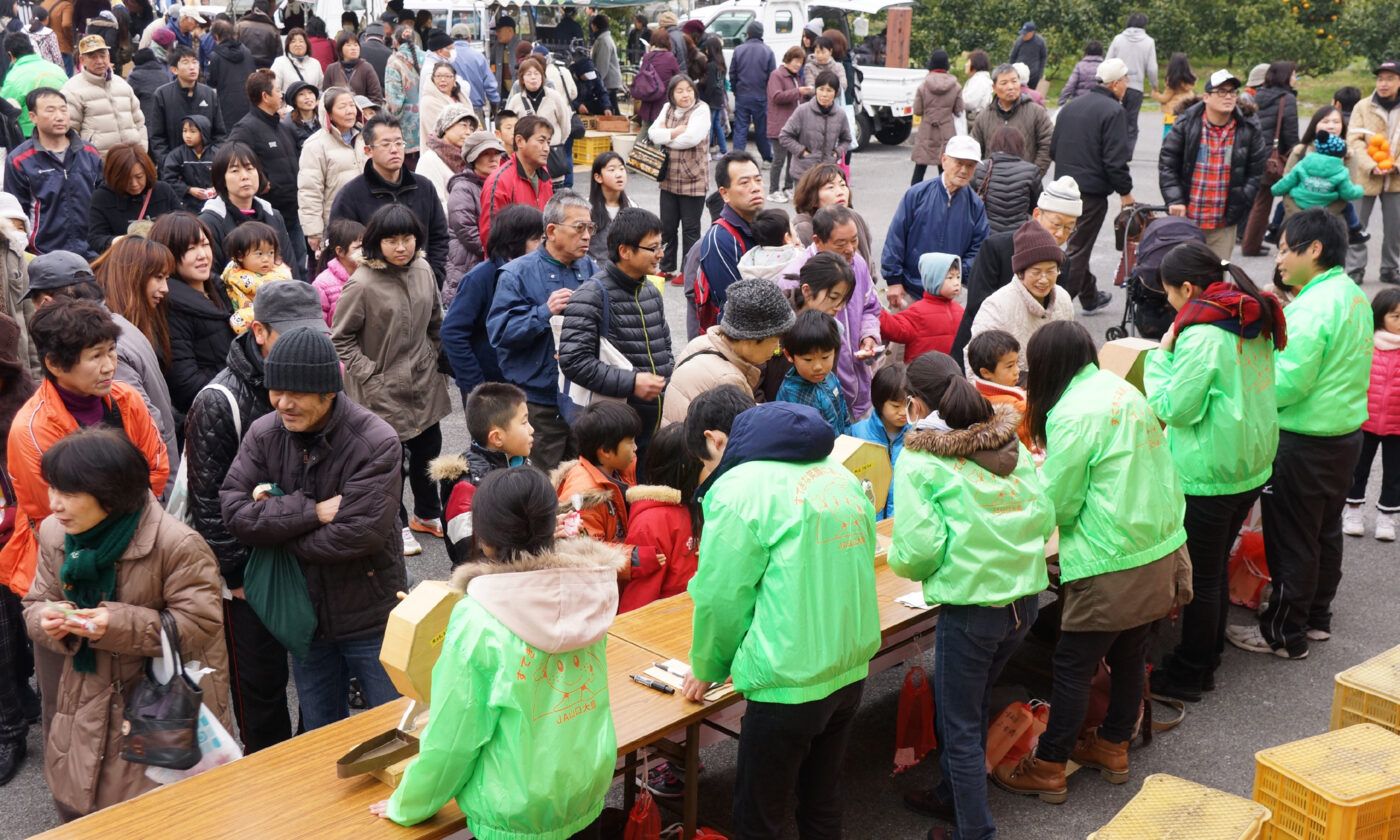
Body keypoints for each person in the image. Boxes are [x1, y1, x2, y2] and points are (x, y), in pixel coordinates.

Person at [994, 321, 1190, 805]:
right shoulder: (1120, 389)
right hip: (1157, 544)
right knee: (1130, 652)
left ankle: (1049, 766)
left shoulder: (1071, 412)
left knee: (1072, 664)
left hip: (1110, 555)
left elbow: (1059, 501)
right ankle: (1113, 745)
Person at [369, 466, 620, 837]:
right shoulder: (589, 592)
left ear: (484, 538)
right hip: (585, 789)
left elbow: (453, 738)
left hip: (514, 811)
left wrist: (408, 803)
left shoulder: (479, 620)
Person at [682, 395, 880, 838]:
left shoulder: (738, 489)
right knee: (822, 800)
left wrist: (709, 664)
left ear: (716, 442)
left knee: (760, 817)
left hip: (786, 679)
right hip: (849, 664)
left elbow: (721, 597)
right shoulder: (838, 474)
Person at [22, 428, 226, 820]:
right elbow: (35, 602)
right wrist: (45, 619)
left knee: (155, 817)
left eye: (68, 493)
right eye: (52, 489)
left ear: (110, 493)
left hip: (157, 702)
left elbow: (201, 623)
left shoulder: (176, 544)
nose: (54, 503)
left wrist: (113, 624)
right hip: (82, 700)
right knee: (79, 803)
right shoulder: (55, 533)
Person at [890, 351, 1053, 840]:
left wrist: (902, 562)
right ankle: (951, 794)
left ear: (917, 405)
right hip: (1024, 602)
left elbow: (918, 550)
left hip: (972, 610)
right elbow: (1044, 516)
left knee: (958, 724)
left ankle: (974, 831)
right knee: (975, 701)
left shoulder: (920, 457)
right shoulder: (1008, 438)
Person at [221, 327, 404, 731]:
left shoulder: (376, 442)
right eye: (276, 391)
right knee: (321, 738)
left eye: (296, 393)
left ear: (328, 392)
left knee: (397, 732)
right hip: (305, 620)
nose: (283, 404)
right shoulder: (264, 433)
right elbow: (233, 512)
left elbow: (358, 534)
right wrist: (311, 512)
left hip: (370, 618)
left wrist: (275, 534)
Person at [1140, 241, 1286, 702]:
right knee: (1214, 568)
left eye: (1168, 293)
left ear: (1187, 288)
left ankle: (1191, 671)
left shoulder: (1202, 333)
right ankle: (1205, 660)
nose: (1168, 303)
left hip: (1209, 472)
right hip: (1248, 465)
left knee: (1202, 577)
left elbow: (1175, 408)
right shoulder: (1250, 315)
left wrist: (1161, 355)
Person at [184, 281, 326, 754]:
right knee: (260, 688)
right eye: (293, 332)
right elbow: (208, 502)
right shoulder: (218, 400)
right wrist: (238, 575)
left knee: (315, 674)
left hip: (309, 555)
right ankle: (268, 775)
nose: (307, 342)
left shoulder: (322, 376)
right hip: (251, 573)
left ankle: (310, 767)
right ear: (259, 332)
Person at [1226, 209, 1371, 659]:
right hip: (1343, 434)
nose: (1280, 258)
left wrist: (1243, 386)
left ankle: (1283, 634)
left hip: (1304, 441)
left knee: (1291, 538)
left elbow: (1287, 384)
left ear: (1315, 249)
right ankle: (1315, 618)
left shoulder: (1313, 307)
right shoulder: (1352, 295)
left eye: (1287, 249)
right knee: (1324, 531)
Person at [1, 298, 171, 663]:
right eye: (95, 356)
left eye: (111, 351)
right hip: (65, 569)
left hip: (136, 556)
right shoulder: (31, 430)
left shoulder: (126, 399)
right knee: (74, 677)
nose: (110, 365)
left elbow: (156, 469)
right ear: (54, 364)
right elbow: (58, 513)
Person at [331, 204, 450, 556]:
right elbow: (340, 338)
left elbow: (436, 321)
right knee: (388, 462)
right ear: (376, 243)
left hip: (423, 381)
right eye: (391, 240)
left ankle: (427, 513)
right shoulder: (361, 283)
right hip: (379, 390)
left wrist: (434, 359)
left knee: (429, 451)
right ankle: (396, 523)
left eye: (407, 238)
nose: (401, 247)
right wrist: (370, 373)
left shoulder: (424, 269)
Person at [486, 190, 597, 470]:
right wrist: (544, 312)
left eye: (590, 228)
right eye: (579, 228)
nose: (587, 236)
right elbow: (500, 333)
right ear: (552, 231)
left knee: (584, 482)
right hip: (538, 405)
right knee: (541, 484)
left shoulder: (591, 268)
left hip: (584, 398)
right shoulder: (516, 273)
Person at [558, 207, 673, 457]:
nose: (661, 254)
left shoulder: (650, 292)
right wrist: (632, 382)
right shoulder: (591, 295)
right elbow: (573, 361)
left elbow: (665, 348)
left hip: (652, 428)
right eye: (653, 248)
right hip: (614, 434)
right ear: (625, 251)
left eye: (661, 246)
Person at [951, 177, 1083, 365]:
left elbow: (1053, 311)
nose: (1061, 233)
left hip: (1032, 355)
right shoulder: (996, 247)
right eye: (1056, 224)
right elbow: (976, 303)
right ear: (1037, 214)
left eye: (1069, 228)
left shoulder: (1063, 262)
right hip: (984, 350)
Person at [778, 206, 882, 417]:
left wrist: (868, 336)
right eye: (841, 244)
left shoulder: (858, 264)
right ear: (817, 241)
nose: (850, 249)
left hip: (856, 389)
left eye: (854, 240)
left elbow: (870, 307)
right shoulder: (793, 279)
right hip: (812, 404)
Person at [1050, 57, 1135, 314]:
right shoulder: (1114, 111)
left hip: (1061, 189)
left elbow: (1053, 149)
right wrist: (1125, 192)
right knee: (1078, 249)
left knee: (1077, 244)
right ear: (1116, 83)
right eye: (1126, 81)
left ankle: (1090, 296)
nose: (1127, 86)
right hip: (1090, 192)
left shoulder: (1071, 106)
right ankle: (1057, 307)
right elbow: (1115, 159)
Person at [327, 113, 451, 287]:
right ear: (368, 151)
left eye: (399, 143)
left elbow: (440, 237)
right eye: (386, 144)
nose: (394, 150)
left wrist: (433, 277)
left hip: (420, 284)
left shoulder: (423, 187)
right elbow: (341, 247)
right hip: (373, 289)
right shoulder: (351, 195)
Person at [1159, 69, 1269, 259]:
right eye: (1221, 92)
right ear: (1206, 97)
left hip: (1223, 224)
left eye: (1232, 92)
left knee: (1219, 271)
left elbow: (1256, 171)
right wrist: (1175, 200)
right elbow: (1168, 164)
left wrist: (1242, 200)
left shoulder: (1248, 127)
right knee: (1186, 271)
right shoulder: (1186, 123)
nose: (1228, 96)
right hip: (1188, 219)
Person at [442, 204, 541, 403]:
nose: (543, 245)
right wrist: (475, 385)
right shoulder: (480, 278)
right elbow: (452, 332)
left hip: (526, 381)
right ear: (513, 242)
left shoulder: (536, 272)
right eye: (536, 239)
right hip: (490, 384)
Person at [90, 237, 178, 458]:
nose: (165, 288)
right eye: (158, 277)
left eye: (166, 278)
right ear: (133, 275)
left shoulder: (133, 325)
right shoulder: (111, 343)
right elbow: (142, 420)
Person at [431, 382, 535, 566]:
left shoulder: (521, 463)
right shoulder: (467, 486)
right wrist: (530, 545)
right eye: (524, 422)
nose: (531, 429)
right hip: (486, 577)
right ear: (497, 437)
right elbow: (470, 553)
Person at [664, 277, 793, 424]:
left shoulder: (702, 343)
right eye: (774, 340)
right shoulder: (728, 380)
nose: (777, 348)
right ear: (748, 339)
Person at [882, 134, 989, 309]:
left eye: (970, 165)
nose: (964, 170)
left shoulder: (975, 205)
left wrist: (955, 277)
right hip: (910, 289)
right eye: (959, 163)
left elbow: (978, 249)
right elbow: (896, 238)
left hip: (951, 295)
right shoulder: (917, 194)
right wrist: (893, 280)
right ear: (944, 160)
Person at [227, 69, 307, 282]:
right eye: (278, 91)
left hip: (294, 211)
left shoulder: (282, 127)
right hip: (268, 216)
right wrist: (261, 182)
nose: (282, 95)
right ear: (265, 96)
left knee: (299, 269)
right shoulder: (245, 128)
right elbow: (230, 157)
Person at [154, 209, 233, 421]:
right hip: (215, 413)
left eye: (205, 245)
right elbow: (185, 384)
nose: (202, 255)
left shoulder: (223, 288)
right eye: (190, 248)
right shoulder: (170, 307)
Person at [968, 219, 1075, 375]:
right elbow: (976, 366)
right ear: (1020, 272)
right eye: (1036, 272)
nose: (1044, 279)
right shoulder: (996, 306)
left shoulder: (1063, 298)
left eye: (1051, 271)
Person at [4, 88, 103, 259]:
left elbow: (103, 201)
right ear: (33, 117)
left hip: (92, 253)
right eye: (50, 110)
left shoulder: (89, 153)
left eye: (63, 109)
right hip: (44, 256)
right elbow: (17, 215)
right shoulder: (20, 160)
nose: (59, 116)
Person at [0, 312, 34, 787]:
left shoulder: (21, 403)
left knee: (12, 632)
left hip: (17, 531)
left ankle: (13, 722)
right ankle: (15, 715)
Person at [1344, 287, 1400, 540]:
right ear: (1379, 316)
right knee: (1357, 469)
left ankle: (1386, 518)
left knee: (1395, 474)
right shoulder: (1365, 345)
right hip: (1364, 421)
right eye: (1395, 316)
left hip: (1397, 425)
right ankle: (1353, 511)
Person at [198, 142, 295, 279]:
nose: (245, 176)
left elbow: (289, 266)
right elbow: (211, 276)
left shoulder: (273, 216)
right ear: (221, 178)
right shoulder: (209, 222)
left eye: (249, 168)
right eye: (235, 171)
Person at [554, 401, 642, 546]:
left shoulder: (620, 470)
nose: (635, 447)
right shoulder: (585, 498)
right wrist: (633, 555)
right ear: (606, 451)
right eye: (630, 442)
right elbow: (588, 549)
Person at [1344, 59, 1400, 286]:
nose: (1383, 84)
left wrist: (1396, 165)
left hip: (1396, 179)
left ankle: (1390, 268)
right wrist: (1370, 164)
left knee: (1395, 227)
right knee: (1357, 225)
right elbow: (1353, 139)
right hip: (1365, 176)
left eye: (1390, 79)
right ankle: (1355, 269)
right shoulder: (1363, 107)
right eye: (1380, 79)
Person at [650, 75, 711, 278]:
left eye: (689, 90)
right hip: (668, 178)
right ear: (672, 94)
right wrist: (675, 132)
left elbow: (691, 139)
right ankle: (667, 267)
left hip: (693, 179)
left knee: (690, 229)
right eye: (680, 91)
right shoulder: (667, 108)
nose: (686, 95)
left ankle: (688, 271)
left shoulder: (701, 109)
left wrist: (666, 136)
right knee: (667, 227)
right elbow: (652, 134)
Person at [298, 87, 365, 258]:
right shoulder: (315, 145)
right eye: (342, 106)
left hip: (366, 218)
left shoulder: (364, 138)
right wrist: (314, 231)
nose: (349, 111)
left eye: (352, 105)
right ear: (328, 114)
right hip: (337, 224)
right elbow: (310, 191)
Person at [1241, 61, 1300, 256]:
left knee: (1260, 203)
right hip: (1277, 159)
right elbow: (1290, 134)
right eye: (1293, 74)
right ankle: (1289, 244)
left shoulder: (1258, 95)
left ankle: (1251, 245)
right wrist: (1297, 153)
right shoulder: (1287, 98)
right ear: (1285, 77)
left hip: (1257, 154)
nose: (1295, 78)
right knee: (1292, 201)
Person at [1272, 126, 1368, 240]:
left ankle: (1274, 228)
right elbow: (1347, 193)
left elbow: (1288, 181)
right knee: (1348, 207)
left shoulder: (1303, 164)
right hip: (1325, 205)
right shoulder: (1341, 171)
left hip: (1300, 202)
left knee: (1281, 206)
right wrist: (1360, 190)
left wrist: (1275, 189)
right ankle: (1355, 230)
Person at [85, 142, 180, 255]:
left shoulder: (163, 190)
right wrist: (120, 241)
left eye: (139, 177)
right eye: (126, 179)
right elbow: (95, 239)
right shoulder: (102, 197)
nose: (134, 184)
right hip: (123, 259)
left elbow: (182, 224)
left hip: (163, 256)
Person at [477, 114, 554, 252]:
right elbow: (491, 238)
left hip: (542, 258)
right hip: (514, 262)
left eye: (548, 142)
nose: (547, 148)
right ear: (519, 141)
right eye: (541, 141)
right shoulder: (499, 181)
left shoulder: (544, 175)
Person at [443, 131, 505, 300]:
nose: (493, 159)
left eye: (496, 153)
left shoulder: (500, 185)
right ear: (472, 158)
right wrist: (497, 253)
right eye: (486, 154)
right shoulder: (463, 187)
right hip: (467, 263)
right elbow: (466, 229)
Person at [62, 35, 145, 159]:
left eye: (102, 56)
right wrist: (86, 162)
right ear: (82, 60)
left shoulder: (122, 84)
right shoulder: (71, 90)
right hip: (98, 163)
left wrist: (142, 151)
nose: (100, 61)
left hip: (131, 161)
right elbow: (70, 132)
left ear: (109, 57)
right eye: (93, 57)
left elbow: (139, 122)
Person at [970, 63, 1053, 179]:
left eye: (1014, 81)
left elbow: (1047, 144)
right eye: (1004, 83)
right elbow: (974, 149)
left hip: (1025, 182)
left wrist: (1034, 175)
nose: (1011, 87)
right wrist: (983, 177)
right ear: (994, 88)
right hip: (991, 182)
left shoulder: (1037, 112)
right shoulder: (984, 116)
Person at [148, 46, 226, 168]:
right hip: (174, 168)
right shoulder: (162, 95)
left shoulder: (209, 94)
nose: (192, 67)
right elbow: (157, 137)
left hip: (205, 167)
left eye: (194, 62)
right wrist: (169, 163)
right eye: (185, 62)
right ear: (174, 69)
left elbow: (219, 134)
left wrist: (212, 159)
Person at [775, 309, 850, 434]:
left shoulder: (829, 377)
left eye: (825, 357)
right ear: (789, 355)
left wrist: (848, 436)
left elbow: (843, 413)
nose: (818, 367)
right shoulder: (791, 395)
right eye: (808, 359)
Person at [880, 252, 963, 362]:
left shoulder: (960, 311)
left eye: (958, 277)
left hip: (953, 370)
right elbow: (894, 328)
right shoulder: (918, 312)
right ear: (933, 279)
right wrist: (875, 310)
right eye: (950, 278)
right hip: (922, 371)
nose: (956, 283)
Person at [506, 55, 573, 188]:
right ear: (522, 79)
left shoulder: (554, 97)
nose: (533, 77)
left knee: (554, 196)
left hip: (552, 157)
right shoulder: (516, 101)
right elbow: (509, 127)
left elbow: (565, 125)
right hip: (527, 159)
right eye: (528, 74)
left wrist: (554, 143)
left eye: (537, 73)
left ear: (543, 76)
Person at [789, 164, 874, 267]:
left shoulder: (855, 218)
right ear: (813, 197)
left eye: (843, 185)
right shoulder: (803, 228)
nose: (840, 192)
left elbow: (870, 264)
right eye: (830, 187)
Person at [220, 221, 293, 335]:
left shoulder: (279, 273)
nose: (266, 259)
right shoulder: (233, 274)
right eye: (259, 254)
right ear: (240, 255)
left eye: (271, 252)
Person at [780, 70, 851, 184]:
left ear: (835, 93)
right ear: (816, 90)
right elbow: (784, 136)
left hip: (828, 174)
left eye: (829, 90)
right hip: (803, 173)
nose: (824, 94)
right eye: (821, 89)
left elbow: (846, 140)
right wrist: (802, 152)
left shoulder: (840, 115)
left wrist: (837, 153)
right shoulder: (802, 111)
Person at [972, 127, 1042, 234]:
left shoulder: (980, 168)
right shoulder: (1031, 171)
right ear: (1021, 146)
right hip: (1020, 234)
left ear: (993, 144)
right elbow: (1037, 207)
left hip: (987, 233)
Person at [1105, 13, 1158, 156]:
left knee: (1112, 119)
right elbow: (1152, 68)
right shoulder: (1149, 42)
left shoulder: (1118, 39)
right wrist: (1154, 85)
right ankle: (1126, 154)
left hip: (1115, 86)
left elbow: (1107, 60)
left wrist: (1105, 82)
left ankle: (1110, 150)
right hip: (1136, 88)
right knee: (1131, 122)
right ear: (1144, 26)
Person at [910, 50, 963, 185]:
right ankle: (944, 196)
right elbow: (959, 110)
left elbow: (917, 111)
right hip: (946, 132)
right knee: (944, 169)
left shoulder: (923, 86)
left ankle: (914, 196)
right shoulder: (956, 87)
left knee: (919, 169)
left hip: (927, 131)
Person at [724, 19, 774, 162]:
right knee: (762, 130)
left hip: (742, 95)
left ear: (748, 34)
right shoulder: (768, 51)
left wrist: (736, 90)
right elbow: (772, 77)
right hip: (761, 96)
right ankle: (767, 158)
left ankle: (737, 158)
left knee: (740, 129)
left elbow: (732, 74)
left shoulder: (738, 50)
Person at [764, 47, 810, 203]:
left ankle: (788, 188)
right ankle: (773, 190)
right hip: (779, 125)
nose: (798, 65)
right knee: (779, 159)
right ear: (788, 59)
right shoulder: (776, 75)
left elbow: (798, 99)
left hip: (794, 126)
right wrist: (798, 91)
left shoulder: (796, 77)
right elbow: (777, 96)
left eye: (801, 62)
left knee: (793, 158)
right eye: (796, 61)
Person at [0, 32, 65, 138]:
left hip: (30, 135)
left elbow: (7, 109)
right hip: (62, 130)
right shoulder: (57, 69)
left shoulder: (14, 77)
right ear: (32, 48)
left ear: (10, 54)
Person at [418, 104, 478, 210]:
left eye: (471, 128)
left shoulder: (471, 159)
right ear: (446, 126)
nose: (468, 132)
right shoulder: (430, 160)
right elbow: (433, 205)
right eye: (463, 125)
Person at [384, 26, 427, 170]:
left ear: (396, 42)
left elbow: (394, 101)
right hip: (427, 123)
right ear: (415, 41)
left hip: (406, 127)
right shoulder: (427, 58)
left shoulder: (394, 61)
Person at [205, 20, 257, 128]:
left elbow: (211, 81)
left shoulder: (215, 56)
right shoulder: (246, 51)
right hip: (249, 103)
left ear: (216, 36)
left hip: (227, 104)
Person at [585, 151, 633, 269]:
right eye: (612, 170)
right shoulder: (586, 209)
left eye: (621, 169)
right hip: (594, 272)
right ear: (598, 177)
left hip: (624, 273)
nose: (619, 174)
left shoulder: (632, 207)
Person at [161, 115, 218, 213]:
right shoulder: (177, 155)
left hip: (214, 204)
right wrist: (189, 189)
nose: (187, 135)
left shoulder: (217, 154)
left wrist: (217, 188)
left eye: (193, 131)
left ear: (204, 132)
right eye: (185, 131)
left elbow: (226, 176)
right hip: (187, 205)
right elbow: (169, 179)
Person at [311, 218, 363, 325]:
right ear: (340, 251)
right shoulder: (322, 284)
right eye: (358, 247)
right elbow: (318, 324)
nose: (364, 251)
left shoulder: (371, 276)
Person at [737, 208, 802, 283]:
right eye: (793, 228)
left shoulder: (751, 257)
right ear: (787, 238)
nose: (795, 232)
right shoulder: (796, 256)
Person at [632, 29, 681, 128]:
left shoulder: (647, 57)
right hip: (663, 102)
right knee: (660, 131)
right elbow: (678, 77)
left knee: (645, 129)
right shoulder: (670, 57)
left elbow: (642, 75)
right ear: (667, 41)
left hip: (647, 101)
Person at [322, 29, 383, 103]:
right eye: (348, 45)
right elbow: (325, 97)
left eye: (356, 45)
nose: (353, 48)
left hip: (362, 109)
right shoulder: (331, 69)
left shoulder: (367, 68)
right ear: (340, 49)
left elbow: (376, 97)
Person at [1153, 53, 1197, 140]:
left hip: (1172, 114)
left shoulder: (1173, 81)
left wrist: (1155, 94)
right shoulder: (1189, 81)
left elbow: (1164, 98)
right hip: (1186, 113)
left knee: (1168, 138)